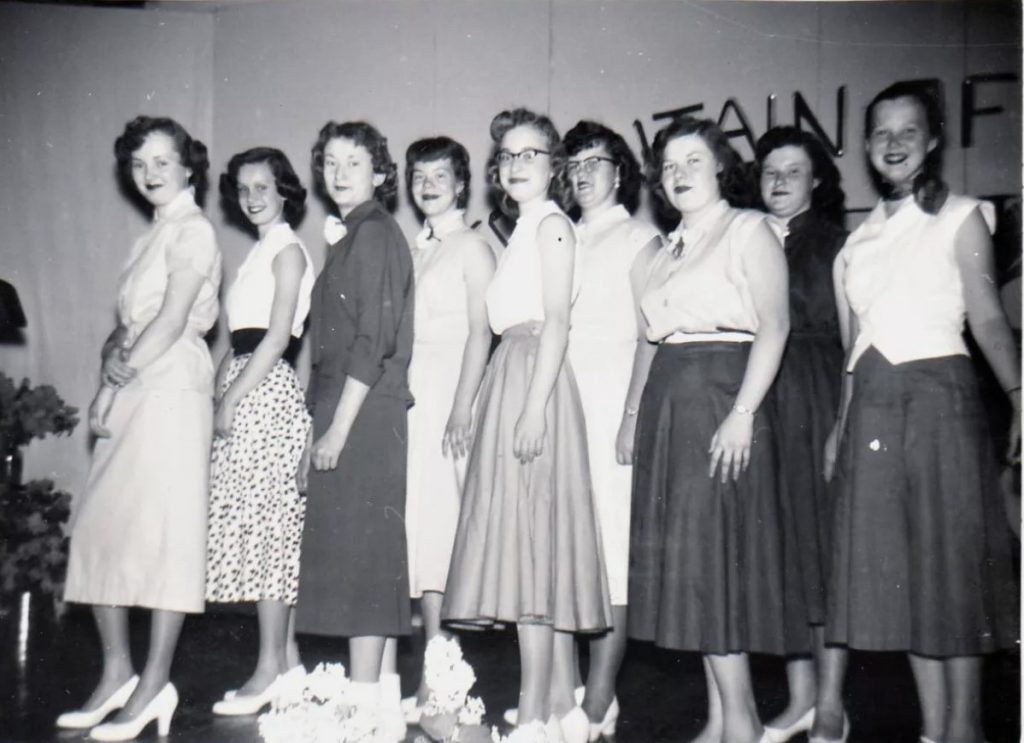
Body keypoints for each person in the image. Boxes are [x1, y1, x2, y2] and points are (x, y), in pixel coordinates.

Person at [822, 81, 1019, 743]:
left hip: (941, 401)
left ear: (933, 139)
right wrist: (840, 426)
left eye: (909, 130)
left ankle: (966, 729)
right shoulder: (859, 239)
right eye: (881, 132)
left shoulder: (964, 215)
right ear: (867, 147)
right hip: (872, 409)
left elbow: (989, 317)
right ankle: (935, 730)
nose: (895, 142)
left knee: (950, 571)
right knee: (907, 577)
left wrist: (1020, 396)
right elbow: (854, 348)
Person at [441, 108, 612, 743]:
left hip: (534, 382)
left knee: (534, 550)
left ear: (554, 165)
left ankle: (541, 714)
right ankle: (551, 709)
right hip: (512, 377)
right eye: (508, 156)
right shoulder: (521, 232)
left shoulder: (552, 227)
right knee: (524, 550)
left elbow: (558, 323)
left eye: (530, 154)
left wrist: (535, 406)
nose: (516, 166)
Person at [628, 116, 791, 743]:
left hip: (723, 401)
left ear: (721, 165)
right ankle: (724, 717)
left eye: (693, 161)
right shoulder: (670, 247)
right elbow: (652, 338)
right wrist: (638, 416)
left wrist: (743, 414)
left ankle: (743, 723)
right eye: (669, 166)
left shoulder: (748, 229)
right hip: (674, 403)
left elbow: (773, 327)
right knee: (695, 571)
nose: (679, 175)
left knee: (715, 568)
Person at [59, 116, 221, 741]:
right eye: (139, 164)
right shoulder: (152, 235)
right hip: (137, 381)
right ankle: (118, 672)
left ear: (188, 167)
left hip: (172, 386)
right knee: (102, 526)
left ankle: (156, 682)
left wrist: (108, 383)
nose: (150, 173)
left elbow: (175, 316)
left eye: (162, 161)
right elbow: (127, 324)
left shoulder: (196, 231)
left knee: (164, 537)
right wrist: (109, 356)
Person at [295, 121, 414, 742]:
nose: (339, 173)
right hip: (348, 410)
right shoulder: (351, 238)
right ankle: (384, 710)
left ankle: (361, 711)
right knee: (367, 558)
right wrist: (319, 430)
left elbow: (373, 343)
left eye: (353, 162)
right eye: (330, 162)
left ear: (379, 173)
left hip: (366, 413)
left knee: (365, 560)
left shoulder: (374, 234)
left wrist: (337, 431)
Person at [382, 137, 495, 723]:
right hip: (413, 395)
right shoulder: (417, 249)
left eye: (440, 175)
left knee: (442, 540)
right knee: (422, 539)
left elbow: (481, 332)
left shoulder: (472, 247)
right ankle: (432, 676)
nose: (427, 185)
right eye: (418, 175)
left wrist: (462, 406)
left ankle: (441, 682)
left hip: (450, 392)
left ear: (461, 182)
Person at [205, 147, 315, 714]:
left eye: (263, 187)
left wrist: (232, 398)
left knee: (271, 534)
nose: (252, 197)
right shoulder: (258, 252)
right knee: (257, 530)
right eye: (243, 187)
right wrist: (215, 395)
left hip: (265, 392)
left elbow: (276, 338)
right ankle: (288, 664)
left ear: (284, 191)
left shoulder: (289, 251)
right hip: (246, 385)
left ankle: (269, 666)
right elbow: (238, 337)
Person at [562, 120, 660, 741]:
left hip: (609, 408)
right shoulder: (560, 235)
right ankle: (566, 691)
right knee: (564, 552)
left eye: (596, 161)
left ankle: (600, 699)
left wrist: (631, 415)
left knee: (609, 558)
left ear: (619, 171)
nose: (583, 172)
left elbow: (652, 335)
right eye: (574, 163)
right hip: (563, 407)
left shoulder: (640, 238)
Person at [751, 127, 848, 743]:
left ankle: (833, 704)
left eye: (793, 171)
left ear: (816, 179)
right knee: (781, 555)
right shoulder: (746, 239)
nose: (780, 182)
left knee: (821, 551)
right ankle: (801, 699)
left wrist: (841, 421)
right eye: (770, 172)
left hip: (814, 401)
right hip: (761, 408)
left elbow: (854, 343)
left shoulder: (839, 245)